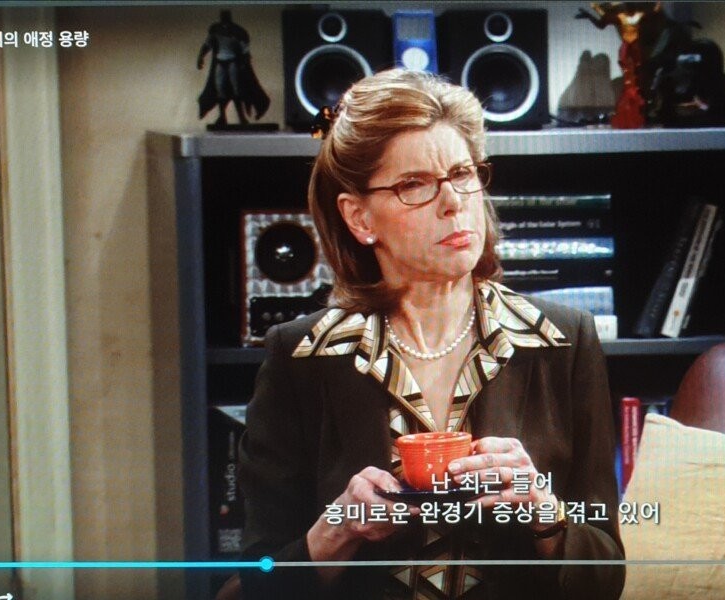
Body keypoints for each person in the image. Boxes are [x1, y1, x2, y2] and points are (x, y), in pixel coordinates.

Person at [236, 69, 624, 599]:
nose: (453, 202)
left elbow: (606, 579)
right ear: (359, 218)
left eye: (462, 174)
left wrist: (544, 510)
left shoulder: (563, 340)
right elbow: (257, 585)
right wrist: (338, 530)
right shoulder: (300, 356)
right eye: (414, 185)